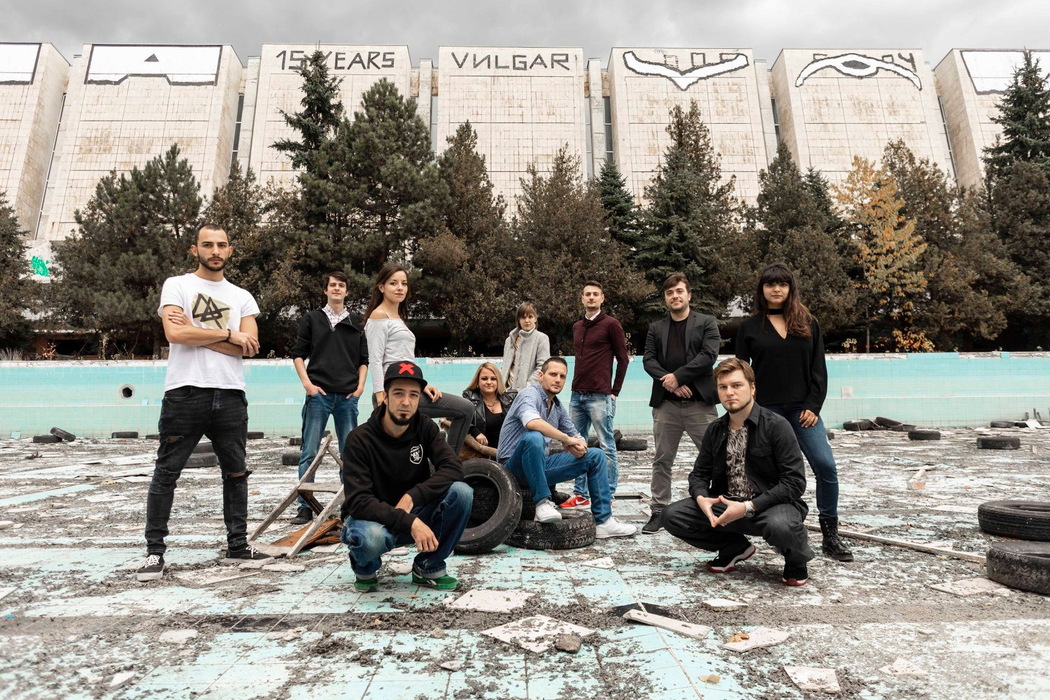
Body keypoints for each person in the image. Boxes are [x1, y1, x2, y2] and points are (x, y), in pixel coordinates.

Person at [137, 224, 272, 581]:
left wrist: (195, 333)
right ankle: (154, 552)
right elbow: (174, 333)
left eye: (221, 245)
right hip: (185, 392)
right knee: (167, 472)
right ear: (194, 249)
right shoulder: (177, 285)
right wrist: (228, 334)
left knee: (236, 473)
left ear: (230, 250)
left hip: (230, 393)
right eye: (207, 245)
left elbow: (250, 347)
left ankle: (238, 545)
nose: (215, 251)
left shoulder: (242, 296)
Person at [735, 263, 853, 562]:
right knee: (766, 475)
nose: (776, 289)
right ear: (762, 290)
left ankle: (830, 535)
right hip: (765, 413)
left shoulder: (808, 323)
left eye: (782, 284)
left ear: (790, 288)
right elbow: (741, 373)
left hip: (803, 412)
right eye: (770, 284)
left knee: (825, 467)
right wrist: (748, 410)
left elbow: (818, 369)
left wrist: (813, 406)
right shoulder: (750, 327)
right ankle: (778, 531)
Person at [662, 358, 815, 586]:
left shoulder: (776, 426)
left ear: (752, 388)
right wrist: (702, 498)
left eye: (736, 385)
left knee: (781, 526)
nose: (729, 393)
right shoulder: (715, 429)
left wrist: (747, 507)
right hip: (726, 505)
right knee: (672, 515)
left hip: (769, 506)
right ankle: (734, 547)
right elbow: (699, 474)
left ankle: (796, 560)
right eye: (723, 387)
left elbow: (794, 482)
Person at [340, 360, 473, 592]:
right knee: (370, 538)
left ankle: (428, 567)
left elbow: (453, 468)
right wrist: (409, 522)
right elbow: (359, 502)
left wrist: (413, 496)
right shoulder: (359, 439)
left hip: (413, 512)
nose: (406, 402)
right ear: (385, 397)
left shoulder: (425, 427)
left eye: (413, 395)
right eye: (398, 393)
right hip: (373, 519)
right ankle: (365, 567)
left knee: (462, 493)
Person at [497, 357, 636, 538]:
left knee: (596, 455)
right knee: (534, 437)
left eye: (562, 376)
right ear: (541, 376)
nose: (558, 380)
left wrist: (580, 447)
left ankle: (604, 521)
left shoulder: (556, 407)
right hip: (511, 469)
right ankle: (542, 503)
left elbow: (577, 436)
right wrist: (565, 439)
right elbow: (532, 422)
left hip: (539, 466)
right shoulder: (528, 394)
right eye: (553, 374)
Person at [363, 263, 474, 452]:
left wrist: (423, 384)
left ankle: (447, 461)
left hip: (412, 388)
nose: (400, 288)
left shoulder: (397, 318)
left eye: (404, 283)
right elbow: (375, 359)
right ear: (381, 287)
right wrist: (381, 397)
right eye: (393, 283)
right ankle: (449, 462)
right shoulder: (379, 315)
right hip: (393, 393)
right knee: (465, 408)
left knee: (465, 409)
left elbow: (405, 360)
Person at [641, 273, 721, 534]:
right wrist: (671, 382)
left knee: (716, 457)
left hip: (700, 405)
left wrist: (679, 376)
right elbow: (649, 360)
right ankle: (658, 511)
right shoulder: (656, 328)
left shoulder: (707, 322)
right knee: (662, 460)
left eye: (678, 291)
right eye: (669, 293)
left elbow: (708, 355)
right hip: (666, 406)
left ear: (689, 295)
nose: (674, 296)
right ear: (665, 298)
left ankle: (719, 506)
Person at [289, 271, 369, 526]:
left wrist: (360, 388)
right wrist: (308, 385)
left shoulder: (356, 321)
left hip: (347, 397)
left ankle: (350, 506)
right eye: (332, 285)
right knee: (309, 452)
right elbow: (298, 354)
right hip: (319, 396)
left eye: (341, 285)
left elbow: (363, 360)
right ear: (325, 290)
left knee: (350, 454)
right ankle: (304, 507)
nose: (336, 288)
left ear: (346, 291)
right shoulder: (312, 319)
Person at [564, 281, 629, 509]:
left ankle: (607, 495)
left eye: (595, 294)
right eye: (587, 294)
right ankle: (580, 494)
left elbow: (623, 359)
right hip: (577, 395)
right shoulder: (577, 326)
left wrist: (614, 392)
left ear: (602, 298)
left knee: (607, 446)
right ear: (582, 298)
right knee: (577, 444)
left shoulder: (611, 324)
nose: (591, 297)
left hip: (600, 396)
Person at [460, 362, 516, 459]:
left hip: (510, 453)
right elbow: (455, 417)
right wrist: (475, 432)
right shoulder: (470, 398)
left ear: (498, 381)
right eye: (484, 378)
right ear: (477, 381)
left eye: (493, 379)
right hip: (483, 456)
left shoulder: (510, 399)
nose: (489, 382)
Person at [501, 302, 550, 391]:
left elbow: (543, 367)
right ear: (519, 319)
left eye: (530, 317)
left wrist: (527, 387)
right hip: (506, 391)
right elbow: (504, 366)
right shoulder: (509, 340)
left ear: (535, 318)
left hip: (528, 392)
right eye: (523, 317)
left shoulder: (541, 338)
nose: (527, 320)